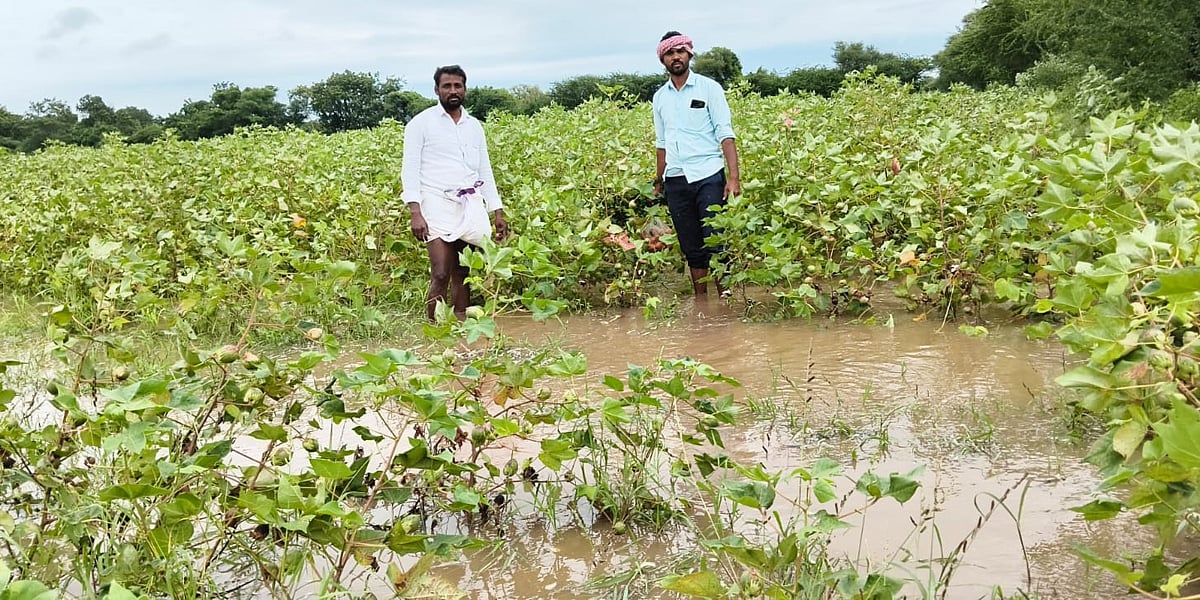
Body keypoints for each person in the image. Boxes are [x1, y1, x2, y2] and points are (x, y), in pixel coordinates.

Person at [401, 64, 509, 321]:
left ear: (465, 89)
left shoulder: (474, 126)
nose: (453, 91)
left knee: (464, 270)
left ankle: (461, 326)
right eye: (447, 86)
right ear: (436, 89)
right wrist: (415, 213)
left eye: (457, 86)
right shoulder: (420, 124)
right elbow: (410, 170)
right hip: (435, 204)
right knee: (440, 272)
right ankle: (434, 330)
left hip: (469, 204)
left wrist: (498, 211)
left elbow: (485, 170)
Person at [651, 31, 742, 297]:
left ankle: (726, 300)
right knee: (692, 246)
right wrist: (658, 181)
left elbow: (725, 133)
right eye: (670, 53)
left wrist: (733, 178)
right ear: (663, 60)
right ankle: (702, 305)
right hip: (676, 178)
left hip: (709, 174)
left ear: (689, 54)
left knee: (717, 240)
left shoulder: (709, 88)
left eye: (680, 51)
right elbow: (661, 142)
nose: (675, 57)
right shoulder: (660, 97)